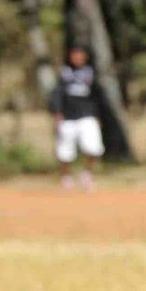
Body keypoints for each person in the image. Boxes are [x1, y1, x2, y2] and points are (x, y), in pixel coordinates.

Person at [50, 44, 103, 191]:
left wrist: (98, 115)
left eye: (81, 54)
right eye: (75, 54)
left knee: (94, 147)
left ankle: (87, 174)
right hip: (67, 117)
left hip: (87, 115)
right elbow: (56, 94)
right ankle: (66, 177)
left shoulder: (91, 73)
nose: (78, 57)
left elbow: (98, 96)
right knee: (65, 151)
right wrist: (57, 112)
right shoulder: (64, 73)